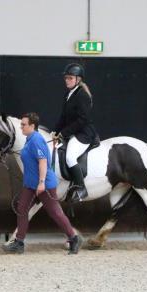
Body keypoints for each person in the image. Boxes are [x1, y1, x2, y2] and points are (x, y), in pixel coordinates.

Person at [2, 112, 83, 254]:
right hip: (30, 184)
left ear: (32, 126)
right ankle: (19, 242)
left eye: (24, 124)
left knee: (55, 212)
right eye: (21, 124)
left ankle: (73, 237)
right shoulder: (29, 139)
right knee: (22, 209)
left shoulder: (36, 140)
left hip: (43, 183)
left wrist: (41, 183)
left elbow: (43, 162)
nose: (21, 127)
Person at [53, 63, 98, 203]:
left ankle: (81, 188)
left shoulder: (82, 95)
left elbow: (82, 120)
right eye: (66, 78)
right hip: (73, 132)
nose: (67, 80)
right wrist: (56, 131)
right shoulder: (69, 94)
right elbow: (63, 117)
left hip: (84, 133)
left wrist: (63, 133)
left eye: (70, 78)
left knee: (70, 157)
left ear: (78, 79)